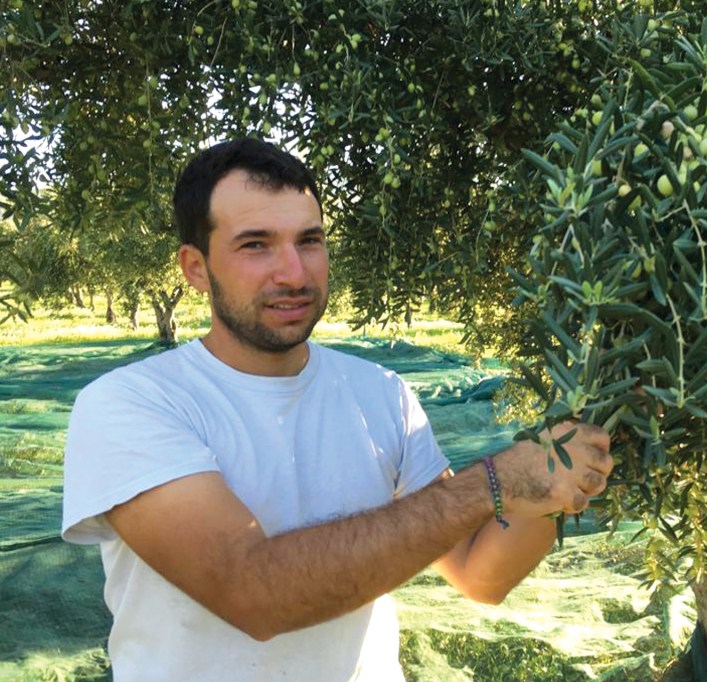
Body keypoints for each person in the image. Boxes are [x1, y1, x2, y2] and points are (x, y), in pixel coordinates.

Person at [60, 138, 612, 681]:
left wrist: (561, 471)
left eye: (310, 240)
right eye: (256, 245)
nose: (295, 273)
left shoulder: (380, 393)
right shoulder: (130, 404)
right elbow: (254, 594)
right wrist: (495, 481)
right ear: (196, 268)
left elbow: (479, 573)